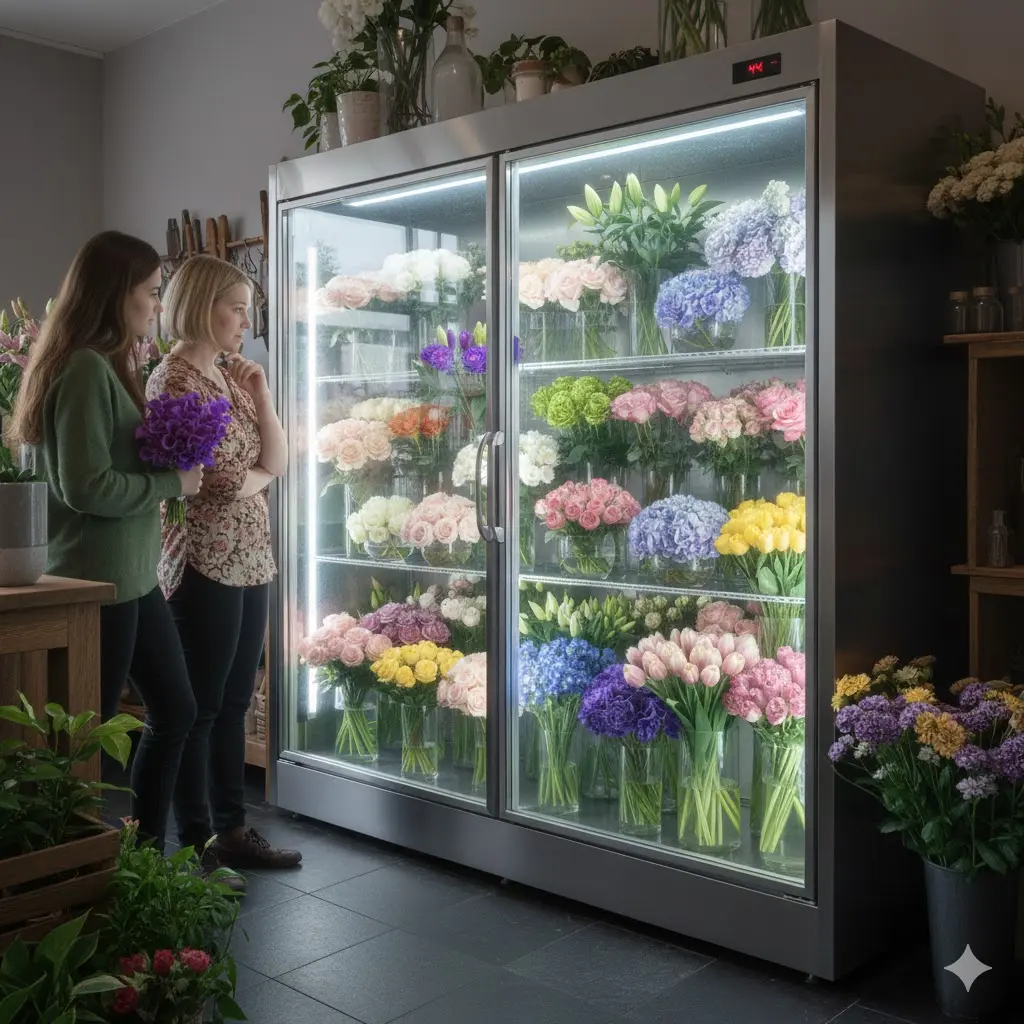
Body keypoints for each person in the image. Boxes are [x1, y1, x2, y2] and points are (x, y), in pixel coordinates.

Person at [6, 231, 202, 850]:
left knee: (174, 713)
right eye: (149, 292)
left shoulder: (98, 362)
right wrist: (173, 482)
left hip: (131, 579)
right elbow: (85, 487)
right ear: (116, 293)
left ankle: (141, 858)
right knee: (86, 741)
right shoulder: (87, 367)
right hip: (99, 582)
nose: (154, 304)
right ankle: (79, 871)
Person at [149, 254, 300, 872]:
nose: (246, 319)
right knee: (201, 709)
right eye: (236, 307)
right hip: (204, 561)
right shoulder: (175, 379)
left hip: (250, 557)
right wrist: (257, 476)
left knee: (236, 701)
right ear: (200, 307)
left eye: (248, 307)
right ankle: (198, 840)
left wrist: (260, 395)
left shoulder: (231, 375)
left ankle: (233, 831)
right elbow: (209, 481)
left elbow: (277, 459)